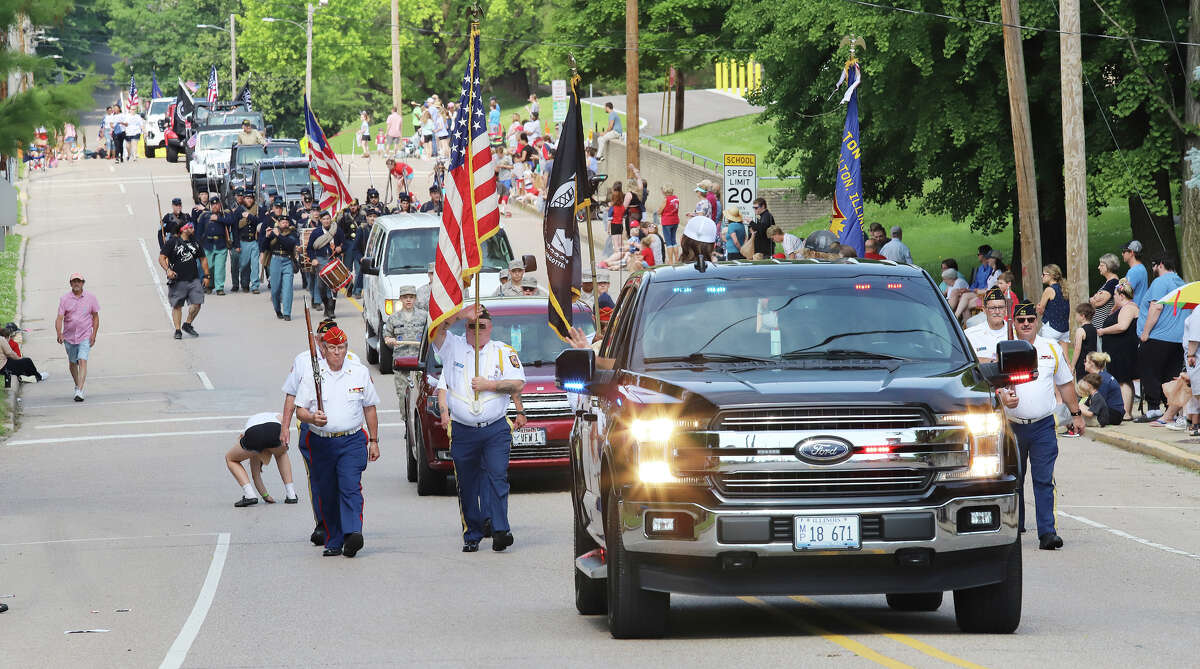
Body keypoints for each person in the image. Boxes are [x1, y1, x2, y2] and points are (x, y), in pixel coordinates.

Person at [430, 304, 525, 552]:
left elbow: (517, 383)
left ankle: (500, 529)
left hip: (494, 429)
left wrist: (490, 385)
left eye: (482, 326)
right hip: (463, 430)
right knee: (468, 483)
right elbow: (436, 330)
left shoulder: (502, 351)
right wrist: (460, 314)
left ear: (490, 328)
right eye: (472, 326)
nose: (476, 330)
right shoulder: (453, 346)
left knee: (497, 476)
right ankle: (472, 533)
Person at [995, 301, 1082, 550]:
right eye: (1021, 321)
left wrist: (1076, 414)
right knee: (1014, 479)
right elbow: (992, 384)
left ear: (1037, 322)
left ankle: (1047, 532)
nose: (1025, 325)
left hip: (1043, 425)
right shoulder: (1003, 350)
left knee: (1044, 479)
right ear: (1014, 322)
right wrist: (1002, 396)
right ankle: (1015, 526)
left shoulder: (1051, 348)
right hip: (1012, 425)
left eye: (1030, 320)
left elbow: (1065, 384)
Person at [294, 326, 380, 557]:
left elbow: (369, 407)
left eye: (341, 348)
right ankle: (334, 539)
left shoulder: (359, 372)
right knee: (328, 491)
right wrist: (312, 417)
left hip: (351, 440)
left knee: (350, 486)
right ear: (323, 348)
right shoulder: (314, 374)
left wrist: (374, 440)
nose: (337, 353)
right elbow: (299, 410)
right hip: (321, 441)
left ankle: (353, 534)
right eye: (332, 348)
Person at [1138, 255, 1189, 419]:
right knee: (1171, 375)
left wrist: (1145, 333)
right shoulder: (1182, 283)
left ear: (1160, 265)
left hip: (1158, 337)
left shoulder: (1160, 282)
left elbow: (1156, 307)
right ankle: (1171, 410)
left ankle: (1153, 408)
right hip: (1178, 339)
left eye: (1153, 265)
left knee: (1151, 373)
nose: (1152, 269)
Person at [226, 412, 297, 507]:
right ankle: (291, 494)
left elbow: (256, 476)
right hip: (274, 429)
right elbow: (285, 424)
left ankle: (249, 494)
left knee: (230, 458)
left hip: (254, 433)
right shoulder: (276, 415)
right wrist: (285, 445)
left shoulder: (255, 454)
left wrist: (265, 496)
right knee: (281, 453)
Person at [1097, 279, 1139, 420]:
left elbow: (1122, 326)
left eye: (1115, 294)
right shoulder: (1122, 308)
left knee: (1123, 380)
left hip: (1123, 349)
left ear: (1121, 295)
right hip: (1117, 349)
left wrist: (1103, 331)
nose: (1113, 297)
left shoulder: (1129, 307)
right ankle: (1125, 411)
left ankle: (1126, 412)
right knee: (1123, 380)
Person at [159, 222, 209, 339]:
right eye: (190, 227)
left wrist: (207, 275)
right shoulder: (172, 242)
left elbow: (203, 259)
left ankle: (187, 324)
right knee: (177, 306)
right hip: (178, 279)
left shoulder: (195, 242)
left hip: (193, 279)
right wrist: (168, 270)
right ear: (182, 229)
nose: (192, 229)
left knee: (197, 303)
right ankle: (177, 330)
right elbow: (162, 258)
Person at [55, 272, 99, 402]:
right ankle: (77, 385)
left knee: (82, 360)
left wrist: (94, 334)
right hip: (69, 337)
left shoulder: (91, 298)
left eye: (78, 281)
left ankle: (79, 390)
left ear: (83, 283)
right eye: (74, 281)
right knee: (73, 363)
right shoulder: (64, 299)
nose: (76, 284)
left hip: (85, 334)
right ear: (70, 284)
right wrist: (59, 333)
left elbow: (95, 317)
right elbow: (59, 318)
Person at [382, 285, 427, 403]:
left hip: (419, 362)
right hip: (401, 361)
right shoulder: (393, 318)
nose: (408, 300)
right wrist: (389, 340)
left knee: (420, 395)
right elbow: (387, 336)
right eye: (405, 297)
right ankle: (406, 420)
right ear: (400, 299)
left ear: (415, 299)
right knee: (402, 394)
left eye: (411, 297)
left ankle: (416, 420)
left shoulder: (424, 316)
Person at [306, 211, 344, 318]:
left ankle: (331, 310)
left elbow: (344, 243)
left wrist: (340, 248)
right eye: (324, 219)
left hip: (333, 259)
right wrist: (313, 259)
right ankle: (326, 306)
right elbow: (309, 248)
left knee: (333, 285)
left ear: (331, 219)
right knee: (321, 286)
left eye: (328, 219)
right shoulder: (316, 233)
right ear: (321, 220)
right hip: (321, 259)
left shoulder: (337, 230)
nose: (326, 221)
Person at [263, 213, 299, 320]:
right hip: (275, 260)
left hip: (287, 260)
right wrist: (266, 237)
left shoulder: (291, 232)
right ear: (278, 223)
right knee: (275, 289)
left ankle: (287, 312)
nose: (285, 224)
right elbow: (264, 247)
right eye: (282, 222)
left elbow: (290, 244)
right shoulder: (273, 232)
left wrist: (279, 235)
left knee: (288, 288)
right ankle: (278, 309)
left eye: (286, 222)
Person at [963, 288, 1010, 363]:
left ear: (1006, 309)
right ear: (984, 310)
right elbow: (963, 359)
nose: (997, 312)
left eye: (1000, 307)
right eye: (992, 308)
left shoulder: (1015, 333)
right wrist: (991, 361)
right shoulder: (970, 335)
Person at [1079, 352, 1124, 426]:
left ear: (1091, 364)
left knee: (1078, 410)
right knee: (1078, 406)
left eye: (1085, 361)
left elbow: (1098, 403)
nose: (1084, 363)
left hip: (1114, 415)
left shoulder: (1102, 379)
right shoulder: (1098, 376)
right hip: (1109, 411)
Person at [201, 196, 233, 295]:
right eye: (213, 204)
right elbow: (199, 230)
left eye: (216, 204)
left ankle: (219, 287)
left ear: (220, 205)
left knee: (220, 268)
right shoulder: (205, 216)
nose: (215, 206)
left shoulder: (224, 215)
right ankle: (209, 285)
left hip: (221, 244)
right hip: (208, 245)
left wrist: (218, 218)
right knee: (209, 267)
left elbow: (231, 221)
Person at [232, 190, 262, 294]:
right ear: (243, 199)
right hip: (243, 241)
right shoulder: (239, 210)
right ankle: (245, 284)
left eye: (250, 198)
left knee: (255, 265)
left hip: (254, 241)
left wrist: (249, 216)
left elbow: (261, 222)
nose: (249, 200)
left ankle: (255, 285)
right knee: (244, 265)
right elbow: (235, 228)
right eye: (247, 198)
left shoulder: (258, 209)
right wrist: (236, 244)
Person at [1035, 264, 1070, 343]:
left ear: (1050, 275)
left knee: (1045, 351)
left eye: (1043, 274)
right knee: (1064, 354)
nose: (1041, 276)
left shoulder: (1049, 290)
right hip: (1065, 329)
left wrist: (1038, 307)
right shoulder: (1065, 289)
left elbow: (1040, 311)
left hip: (1051, 328)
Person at [1121, 240, 1149, 336]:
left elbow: (1124, 292)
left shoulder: (1134, 271)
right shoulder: (1141, 268)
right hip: (1138, 312)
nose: (1122, 254)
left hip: (1133, 314)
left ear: (1131, 253)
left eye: (1124, 251)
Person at [1090, 253, 1121, 329]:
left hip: (1102, 327)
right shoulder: (1109, 282)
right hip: (1100, 327)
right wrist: (1095, 298)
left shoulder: (1113, 283)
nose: (1098, 267)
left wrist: (1092, 299)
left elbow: (1098, 303)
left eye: (1101, 265)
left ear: (1109, 266)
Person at [1070, 304, 1097, 379]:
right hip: (1093, 361)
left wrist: (1072, 366)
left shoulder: (1080, 330)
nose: (1075, 317)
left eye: (1076, 315)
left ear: (1083, 316)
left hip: (1083, 363)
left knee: (1082, 386)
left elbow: (1077, 349)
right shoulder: (1094, 329)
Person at [659, 185, 680, 263]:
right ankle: (677, 259)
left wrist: (658, 212)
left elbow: (660, 210)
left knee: (668, 242)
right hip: (675, 220)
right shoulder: (676, 198)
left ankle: (670, 260)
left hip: (667, 221)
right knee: (673, 240)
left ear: (664, 191)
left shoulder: (666, 199)